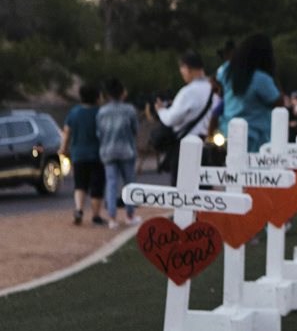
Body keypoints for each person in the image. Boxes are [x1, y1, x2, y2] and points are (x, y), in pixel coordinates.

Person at [154, 51, 215, 183]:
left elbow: (171, 119)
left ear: (187, 69)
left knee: (181, 193)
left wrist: (161, 111)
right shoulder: (213, 89)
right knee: (204, 192)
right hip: (207, 146)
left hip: (184, 148)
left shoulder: (188, 92)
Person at [216, 34, 281, 153]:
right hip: (255, 138)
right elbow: (278, 102)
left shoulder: (226, 71)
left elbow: (217, 86)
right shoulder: (261, 79)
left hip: (227, 132)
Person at [97, 78, 141, 228]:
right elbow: (135, 130)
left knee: (111, 183)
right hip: (126, 150)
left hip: (107, 150)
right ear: (122, 93)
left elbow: (99, 132)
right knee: (129, 183)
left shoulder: (103, 111)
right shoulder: (129, 110)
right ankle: (130, 214)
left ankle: (112, 218)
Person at [61, 85, 106, 226]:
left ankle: (79, 209)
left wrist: (63, 148)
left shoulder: (74, 113)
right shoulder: (100, 113)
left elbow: (67, 132)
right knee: (97, 185)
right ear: (97, 97)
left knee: (80, 184)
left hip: (78, 154)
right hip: (98, 155)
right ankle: (96, 215)